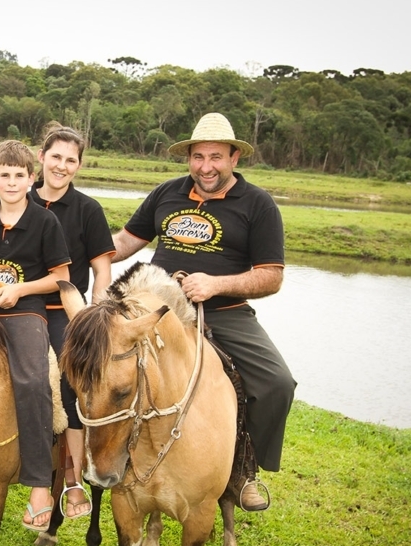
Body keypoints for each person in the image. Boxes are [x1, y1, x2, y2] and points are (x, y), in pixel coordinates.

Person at [111, 112, 296, 512]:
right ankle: (101, 458)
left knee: (278, 384)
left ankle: (243, 470)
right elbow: (126, 240)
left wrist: (217, 284)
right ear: (188, 158)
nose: (206, 166)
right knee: (99, 360)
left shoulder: (258, 204)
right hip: (156, 307)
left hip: (223, 310)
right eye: (198, 157)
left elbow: (271, 276)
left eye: (216, 157)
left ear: (234, 158)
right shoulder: (167, 193)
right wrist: (80, 252)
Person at [0, 140, 71, 531]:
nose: (12, 182)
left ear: (31, 179)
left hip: (24, 313)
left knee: (34, 380)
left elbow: (60, 278)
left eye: (20, 176)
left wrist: (19, 289)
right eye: (4, 175)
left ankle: (39, 484)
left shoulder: (44, 222)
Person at [28, 124, 114, 520]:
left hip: (64, 309)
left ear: (78, 166)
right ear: (41, 157)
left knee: (69, 383)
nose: (61, 166)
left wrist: (93, 315)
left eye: (70, 160)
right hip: (16, 306)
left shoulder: (87, 210)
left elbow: (101, 268)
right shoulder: (18, 197)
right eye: (56, 157)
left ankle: (74, 476)